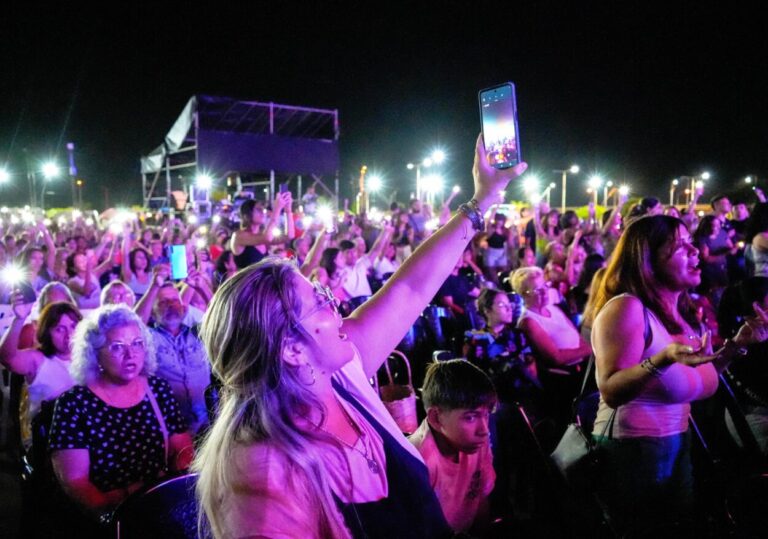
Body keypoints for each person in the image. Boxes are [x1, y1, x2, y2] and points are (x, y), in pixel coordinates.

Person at [192, 135, 526, 538]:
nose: (335, 304)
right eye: (319, 303)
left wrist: (482, 201)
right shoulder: (262, 472)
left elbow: (409, 289)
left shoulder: (341, 372)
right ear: (293, 350)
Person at [589, 215, 768, 534]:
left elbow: (696, 377)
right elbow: (610, 390)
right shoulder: (627, 308)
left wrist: (737, 345)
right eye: (681, 246)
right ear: (648, 259)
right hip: (633, 449)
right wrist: (661, 359)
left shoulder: (682, 315)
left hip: (676, 442)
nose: (696, 250)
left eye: (691, 242)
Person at [48, 305, 194, 520]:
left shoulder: (157, 389)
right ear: (95, 354)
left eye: (137, 344)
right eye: (117, 346)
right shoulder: (73, 404)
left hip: (159, 501)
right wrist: (117, 516)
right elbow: (76, 482)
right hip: (108, 513)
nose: (130, 354)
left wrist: (178, 488)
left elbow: (183, 449)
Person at [408, 360, 497, 535]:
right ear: (436, 418)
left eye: (486, 415)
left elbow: (480, 499)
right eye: (470, 417)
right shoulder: (417, 461)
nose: (484, 430)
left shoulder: (476, 441)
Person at [135, 278, 211, 436]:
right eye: (163, 302)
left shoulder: (198, 332)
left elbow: (225, 321)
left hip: (210, 421)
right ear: (153, 312)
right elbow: (134, 325)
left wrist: (203, 288)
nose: (171, 304)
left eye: (175, 300)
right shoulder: (148, 338)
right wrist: (154, 285)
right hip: (172, 428)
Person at [0, 300, 82, 446]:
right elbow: (7, 358)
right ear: (47, 332)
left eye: (73, 326)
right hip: (48, 441)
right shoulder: (38, 359)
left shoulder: (91, 359)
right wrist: (19, 319)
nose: (69, 334)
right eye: (60, 329)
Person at [231, 193, 294, 269]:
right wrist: (277, 208)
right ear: (247, 214)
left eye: (263, 209)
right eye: (258, 209)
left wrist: (288, 210)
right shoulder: (238, 236)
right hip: (246, 280)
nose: (262, 212)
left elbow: (289, 236)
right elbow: (267, 237)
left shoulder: (262, 235)